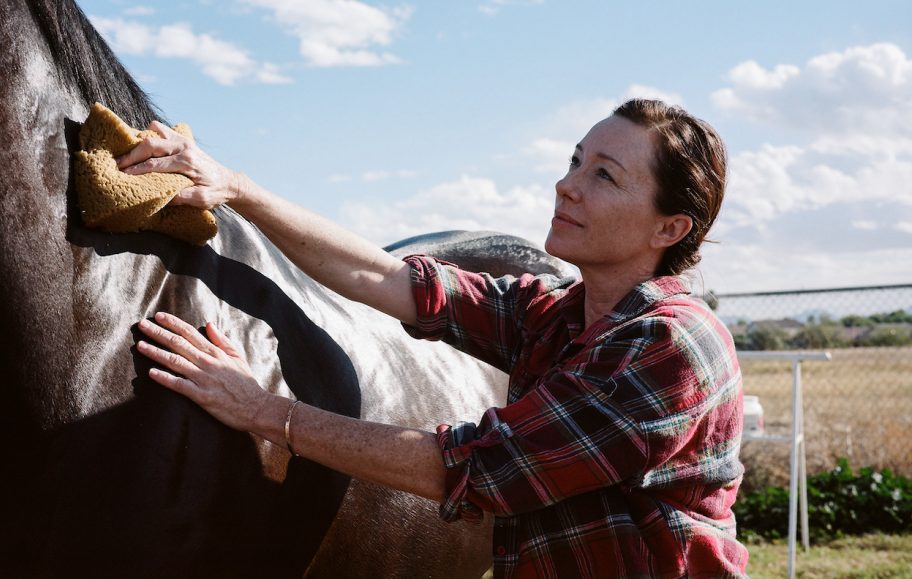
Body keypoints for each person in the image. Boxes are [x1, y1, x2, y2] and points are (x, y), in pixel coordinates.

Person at [123, 98, 748, 578]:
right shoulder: (557, 315)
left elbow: (477, 467)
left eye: (605, 176)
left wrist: (265, 412)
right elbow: (386, 276)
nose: (568, 185)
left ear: (669, 227)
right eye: (575, 161)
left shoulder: (670, 347)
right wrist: (236, 188)